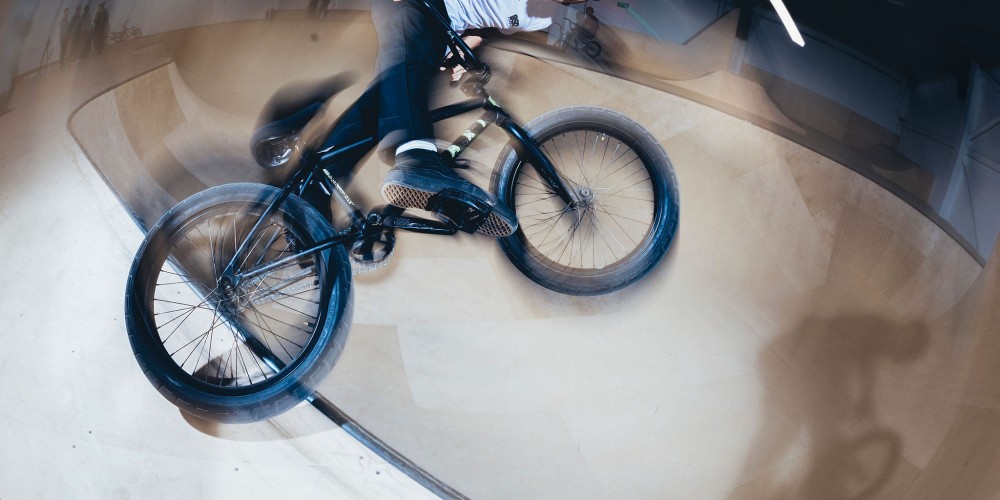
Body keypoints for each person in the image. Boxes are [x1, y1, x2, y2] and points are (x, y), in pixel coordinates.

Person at [319, 0, 585, 236]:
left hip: (440, 26)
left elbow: (490, 24)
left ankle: (313, 190)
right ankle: (417, 161)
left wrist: (472, 41)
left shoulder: (544, 16)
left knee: (393, 101)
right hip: (414, 6)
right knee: (405, 69)